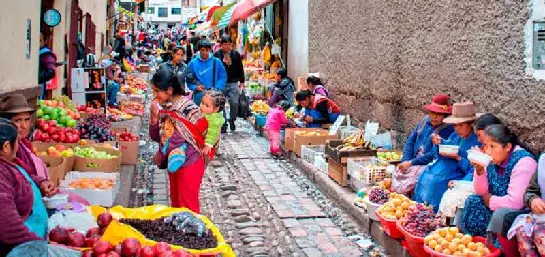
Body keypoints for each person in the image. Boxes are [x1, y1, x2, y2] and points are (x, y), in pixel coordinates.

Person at [0, 94, 88, 205]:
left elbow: (28, 175)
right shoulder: (8, 151)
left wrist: (42, 182)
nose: (23, 126)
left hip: (40, 191)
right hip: (30, 202)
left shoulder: (24, 144)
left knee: (81, 202)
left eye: (26, 120)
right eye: (17, 121)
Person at [461, 124, 536, 237]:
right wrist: (480, 171)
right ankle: (475, 241)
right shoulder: (492, 160)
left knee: (500, 214)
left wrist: (491, 201)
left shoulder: (524, 162)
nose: (488, 151)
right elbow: (480, 193)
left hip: (515, 213)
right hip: (496, 205)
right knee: (473, 201)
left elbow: (516, 203)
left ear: (507, 147)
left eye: (493, 146)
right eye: (486, 146)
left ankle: (497, 249)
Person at [149, 69, 207, 213]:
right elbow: (157, 136)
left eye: (157, 91)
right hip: (175, 161)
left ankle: (194, 234)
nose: (155, 95)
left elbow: (174, 139)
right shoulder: (166, 108)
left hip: (191, 161)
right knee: (176, 204)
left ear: (169, 90)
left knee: (188, 206)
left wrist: (161, 155)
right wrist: (154, 118)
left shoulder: (186, 107)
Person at [413, 102, 481, 212]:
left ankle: (433, 215)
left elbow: (474, 170)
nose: (457, 129)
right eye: (455, 125)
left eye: (460, 125)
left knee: (435, 183)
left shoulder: (477, 143)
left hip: (457, 174)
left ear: (470, 124)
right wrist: (439, 143)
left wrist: (459, 158)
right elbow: (444, 148)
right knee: (424, 176)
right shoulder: (455, 135)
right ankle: (419, 211)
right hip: (442, 167)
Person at [437, 113, 503, 226]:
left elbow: (488, 174)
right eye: (454, 125)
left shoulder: (496, 150)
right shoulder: (457, 137)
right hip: (478, 182)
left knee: (458, 197)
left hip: (494, 190)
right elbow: (474, 172)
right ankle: (449, 228)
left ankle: (456, 229)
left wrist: (461, 159)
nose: (478, 139)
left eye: (479, 135)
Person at [0, 119, 48, 256]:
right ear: (6, 147)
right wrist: (39, 246)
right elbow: (8, 227)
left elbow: (24, 176)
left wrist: (40, 182)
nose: (18, 146)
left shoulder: (8, 163)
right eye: (17, 143)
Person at [392, 94, 454, 195]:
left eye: (438, 114)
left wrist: (411, 163)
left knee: (413, 180)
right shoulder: (425, 121)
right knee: (397, 172)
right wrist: (405, 160)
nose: (434, 117)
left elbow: (433, 153)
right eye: (432, 113)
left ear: (445, 115)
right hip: (413, 160)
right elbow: (410, 141)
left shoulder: (447, 129)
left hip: (428, 163)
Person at [506, 154, 545, 257]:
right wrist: (533, 200)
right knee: (523, 229)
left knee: (540, 234)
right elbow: (530, 192)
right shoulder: (543, 161)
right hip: (542, 216)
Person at [214, 35, 245, 132]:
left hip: (233, 82)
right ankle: (223, 123)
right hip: (221, 83)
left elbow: (240, 68)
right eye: (226, 44)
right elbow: (215, 69)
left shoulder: (235, 54)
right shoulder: (217, 55)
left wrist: (242, 81)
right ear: (221, 45)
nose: (228, 47)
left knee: (234, 102)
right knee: (221, 103)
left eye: (229, 44)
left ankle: (232, 119)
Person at [186, 39, 227, 107]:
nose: (205, 52)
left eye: (207, 50)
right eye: (202, 50)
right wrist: (195, 87)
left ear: (210, 50)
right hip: (199, 96)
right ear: (199, 50)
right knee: (200, 116)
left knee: (216, 116)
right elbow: (189, 79)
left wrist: (217, 88)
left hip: (215, 95)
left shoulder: (217, 61)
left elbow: (223, 77)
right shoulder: (193, 63)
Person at [200, 90, 226, 160]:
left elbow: (213, 133)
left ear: (216, 109)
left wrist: (208, 145)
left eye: (206, 106)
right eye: (202, 103)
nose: (202, 107)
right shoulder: (207, 113)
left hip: (207, 142)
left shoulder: (214, 120)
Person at [38, 30, 57, 99]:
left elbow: (50, 72)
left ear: (44, 41)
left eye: (39, 41)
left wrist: (36, 79)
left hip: (38, 91)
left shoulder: (46, 54)